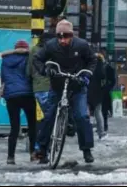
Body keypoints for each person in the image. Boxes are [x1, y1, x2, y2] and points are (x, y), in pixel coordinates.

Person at [33, 19, 97, 163]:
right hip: (57, 85)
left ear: (72, 35)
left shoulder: (82, 45)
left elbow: (92, 60)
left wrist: (86, 75)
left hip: (77, 86)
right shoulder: (50, 46)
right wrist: (45, 70)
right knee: (49, 116)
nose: (63, 40)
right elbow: (37, 59)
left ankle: (86, 150)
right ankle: (42, 148)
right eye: (59, 37)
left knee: (81, 116)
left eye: (66, 36)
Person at [0, 40, 37, 165]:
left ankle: (10, 157)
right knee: (32, 125)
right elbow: (32, 74)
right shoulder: (29, 58)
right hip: (28, 94)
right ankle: (33, 154)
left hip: (11, 96)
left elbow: (3, 78)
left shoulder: (6, 60)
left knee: (14, 128)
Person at [27, 32, 56, 153]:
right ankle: (42, 145)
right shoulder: (54, 50)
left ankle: (41, 145)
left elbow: (28, 70)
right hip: (52, 86)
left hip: (38, 87)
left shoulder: (34, 50)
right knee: (49, 118)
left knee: (46, 117)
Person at [88, 53, 107, 140]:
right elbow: (102, 75)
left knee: (86, 112)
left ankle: (86, 132)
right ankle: (101, 132)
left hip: (87, 89)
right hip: (97, 91)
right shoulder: (100, 64)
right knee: (98, 112)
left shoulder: (87, 62)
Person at [102, 57, 116, 131]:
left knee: (103, 110)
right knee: (99, 110)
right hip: (98, 91)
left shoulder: (109, 68)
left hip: (105, 91)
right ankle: (102, 126)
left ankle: (104, 125)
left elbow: (113, 81)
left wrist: (108, 87)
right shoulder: (97, 66)